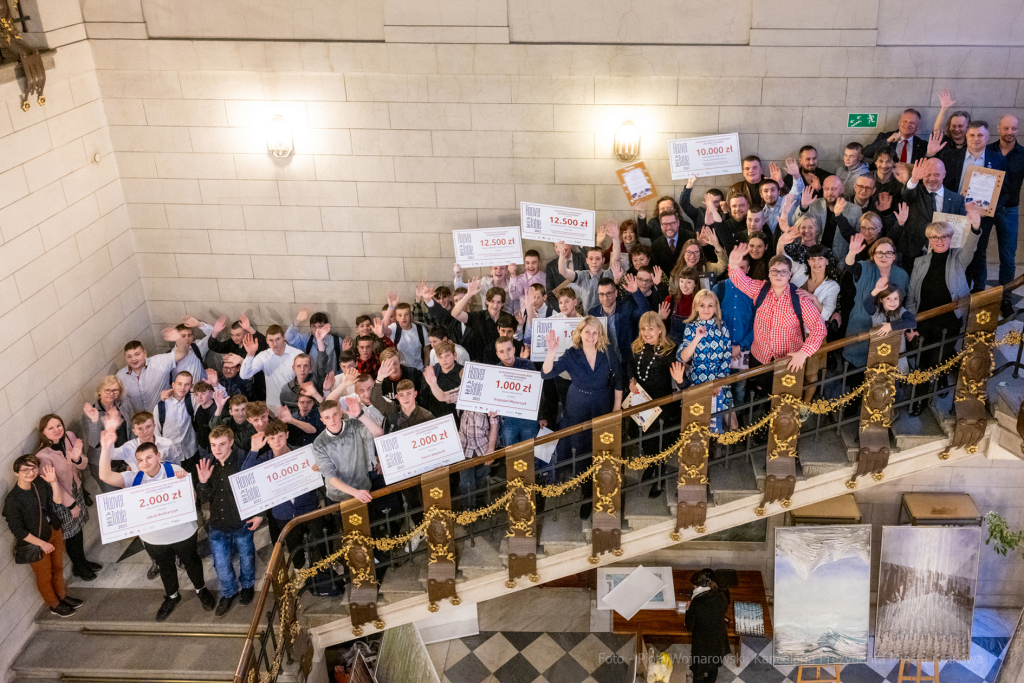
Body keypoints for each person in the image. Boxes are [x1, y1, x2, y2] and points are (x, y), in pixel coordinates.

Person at [97, 435, 215, 620]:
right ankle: (172, 596)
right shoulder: (133, 477)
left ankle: (201, 589)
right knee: (165, 567)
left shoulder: (174, 470)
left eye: (149, 457)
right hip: (153, 537)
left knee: (191, 561)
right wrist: (105, 447)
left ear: (158, 455)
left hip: (182, 532)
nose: (145, 463)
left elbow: (192, 499)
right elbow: (105, 476)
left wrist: (185, 483)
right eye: (140, 460)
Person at [541, 317, 622, 520]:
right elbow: (546, 374)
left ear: (600, 335)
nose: (591, 337)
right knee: (581, 446)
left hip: (602, 402)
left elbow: (619, 378)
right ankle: (587, 493)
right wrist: (551, 352)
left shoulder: (608, 353)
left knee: (603, 445)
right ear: (580, 333)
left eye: (595, 333)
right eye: (587, 332)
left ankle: (604, 485)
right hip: (577, 404)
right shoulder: (571, 354)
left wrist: (616, 407)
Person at [905, 206, 983, 416]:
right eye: (935, 237)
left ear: (950, 238)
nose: (940, 240)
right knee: (923, 361)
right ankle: (919, 400)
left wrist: (975, 226)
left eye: (945, 236)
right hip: (924, 319)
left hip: (950, 319)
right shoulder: (919, 262)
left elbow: (971, 248)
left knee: (943, 355)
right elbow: (911, 295)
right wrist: (911, 324)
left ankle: (939, 378)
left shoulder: (958, 257)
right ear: (929, 239)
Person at [928, 121, 1007, 293]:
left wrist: (990, 208)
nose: (976, 139)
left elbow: (1004, 191)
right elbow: (941, 183)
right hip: (953, 214)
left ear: (987, 137)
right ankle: (946, 291)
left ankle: (973, 293)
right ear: (966, 136)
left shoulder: (998, 159)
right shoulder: (950, 156)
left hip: (981, 217)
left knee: (977, 254)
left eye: (980, 135)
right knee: (950, 250)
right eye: (972, 135)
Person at [726, 245, 827, 376]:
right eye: (774, 271)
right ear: (769, 273)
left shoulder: (800, 298)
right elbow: (741, 282)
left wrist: (804, 353)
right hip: (760, 356)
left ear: (789, 275)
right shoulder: (760, 289)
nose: (779, 275)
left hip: (789, 360)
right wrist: (733, 265)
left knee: (786, 395)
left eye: (783, 272)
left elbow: (819, 328)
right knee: (762, 390)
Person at [4, 455, 85, 617]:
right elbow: (18, 530)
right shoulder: (13, 499)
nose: (30, 472)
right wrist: (42, 543)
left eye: (33, 468)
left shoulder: (39, 483)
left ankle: (62, 597)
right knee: (44, 575)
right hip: (36, 542)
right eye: (25, 470)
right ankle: (54, 604)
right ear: (16, 473)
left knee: (58, 567)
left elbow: (56, 500)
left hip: (53, 530)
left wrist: (53, 481)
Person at [196, 426, 262, 616]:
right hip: (217, 524)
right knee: (221, 564)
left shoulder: (243, 458)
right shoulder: (207, 462)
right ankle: (229, 592)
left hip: (242, 521)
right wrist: (202, 482)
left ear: (231, 443)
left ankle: (248, 585)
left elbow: (256, 487)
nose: (217, 449)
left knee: (247, 556)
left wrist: (259, 514)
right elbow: (204, 497)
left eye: (222, 444)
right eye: (213, 445)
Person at [242, 421, 326, 570]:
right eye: (272, 438)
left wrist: (320, 469)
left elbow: (320, 476)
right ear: (267, 440)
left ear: (287, 435)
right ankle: (299, 569)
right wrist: (254, 450)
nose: (277, 441)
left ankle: (328, 565)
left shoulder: (303, 452)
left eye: (280, 436)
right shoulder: (264, 460)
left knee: (321, 540)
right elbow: (245, 476)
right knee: (294, 546)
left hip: (309, 506)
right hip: (283, 512)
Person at [34, 415, 100, 581]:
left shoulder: (69, 437)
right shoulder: (43, 456)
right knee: (72, 534)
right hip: (62, 500)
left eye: (58, 425)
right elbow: (53, 485)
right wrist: (71, 506)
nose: (57, 430)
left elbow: (83, 464)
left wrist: (77, 458)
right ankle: (78, 567)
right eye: (51, 428)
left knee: (80, 528)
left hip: (76, 489)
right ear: (43, 432)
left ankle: (83, 561)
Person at [839, 235, 910, 369]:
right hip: (861, 325)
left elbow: (904, 301)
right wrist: (852, 253)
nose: (884, 256)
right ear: (873, 255)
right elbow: (850, 266)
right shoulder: (863, 267)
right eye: (879, 253)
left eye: (888, 253)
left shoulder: (902, 275)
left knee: (884, 370)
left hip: (889, 329)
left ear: (894, 256)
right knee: (857, 371)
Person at [629, 312, 679, 497]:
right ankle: (651, 466)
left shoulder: (669, 350)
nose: (647, 333)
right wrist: (631, 380)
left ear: (660, 329)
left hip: (661, 404)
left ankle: (659, 477)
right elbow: (631, 367)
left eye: (651, 328)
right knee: (646, 441)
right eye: (643, 329)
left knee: (659, 442)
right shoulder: (637, 347)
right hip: (641, 401)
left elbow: (677, 379)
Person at [674, 290, 733, 431]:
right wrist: (697, 337)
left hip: (719, 378)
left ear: (715, 307)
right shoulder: (690, 328)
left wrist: (720, 381)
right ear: (696, 307)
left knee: (731, 422)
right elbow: (683, 357)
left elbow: (727, 356)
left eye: (710, 305)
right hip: (697, 379)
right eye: (702, 305)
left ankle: (721, 450)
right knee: (698, 424)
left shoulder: (722, 327)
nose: (706, 309)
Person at [899, 157, 966, 273]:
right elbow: (906, 193)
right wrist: (914, 178)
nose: (931, 179)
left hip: (945, 255)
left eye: (936, 175)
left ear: (944, 174)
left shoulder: (957, 199)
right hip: (915, 253)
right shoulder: (915, 193)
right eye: (927, 174)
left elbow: (962, 229)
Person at [990, 115, 1023, 317]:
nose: (1009, 132)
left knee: (1008, 258)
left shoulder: (1023, 154)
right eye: (1006, 128)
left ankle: (1006, 299)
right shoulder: (987, 150)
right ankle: (977, 295)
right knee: (977, 253)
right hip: (986, 209)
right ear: (998, 128)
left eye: (1013, 128)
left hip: (1009, 209)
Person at [312, 399, 376, 505]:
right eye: (327, 417)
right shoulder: (319, 443)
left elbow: (376, 434)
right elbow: (330, 476)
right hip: (337, 496)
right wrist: (355, 493)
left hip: (363, 488)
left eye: (335, 414)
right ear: (322, 420)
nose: (332, 420)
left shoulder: (355, 425)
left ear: (341, 413)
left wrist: (360, 415)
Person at [793, 177, 862, 263]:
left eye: (834, 189)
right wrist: (803, 207)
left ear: (841, 189)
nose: (830, 192)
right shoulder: (814, 204)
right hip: (814, 258)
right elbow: (796, 224)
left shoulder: (855, 210)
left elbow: (858, 239)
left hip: (840, 261)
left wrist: (844, 264)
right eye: (826, 189)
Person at [82, 376, 132, 494]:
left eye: (115, 390)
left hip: (124, 457)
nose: (111, 394)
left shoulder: (124, 404)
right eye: (107, 390)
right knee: (114, 494)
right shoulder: (91, 412)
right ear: (99, 391)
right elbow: (94, 442)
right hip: (103, 462)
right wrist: (95, 421)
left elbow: (132, 428)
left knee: (130, 491)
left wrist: (131, 458)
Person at [684, 568, 731, 683]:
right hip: (718, 640)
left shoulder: (696, 604)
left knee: (699, 671)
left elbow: (689, 626)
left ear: (696, 587)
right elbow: (722, 611)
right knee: (713, 667)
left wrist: (688, 610)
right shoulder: (721, 596)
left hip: (703, 644)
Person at [240, 325, 302, 410]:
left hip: (294, 404)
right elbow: (244, 375)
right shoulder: (263, 356)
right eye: (271, 340)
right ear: (267, 341)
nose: (275, 343)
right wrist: (250, 355)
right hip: (273, 406)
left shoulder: (297, 354)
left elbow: (307, 378)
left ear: (284, 337)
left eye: (277, 339)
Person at [207, 316, 268, 401]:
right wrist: (215, 332)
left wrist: (250, 328)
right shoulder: (232, 343)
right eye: (232, 335)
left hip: (255, 385)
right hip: (235, 384)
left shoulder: (254, 343)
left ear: (246, 333)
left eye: (238, 335)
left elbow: (265, 344)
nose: (234, 338)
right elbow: (214, 346)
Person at [117, 340, 184, 417]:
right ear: (125, 358)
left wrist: (178, 337)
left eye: (137, 354)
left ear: (145, 353)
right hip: (141, 424)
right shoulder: (120, 376)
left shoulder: (159, 362)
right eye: (129, 356)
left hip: (166, 416)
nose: (133, 359)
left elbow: (182, 352)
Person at [447, 280, 507, 364]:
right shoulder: (477, 317)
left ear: (502, 304)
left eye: (499, 302)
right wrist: (469, 294)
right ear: (487, 301)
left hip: (502, 363)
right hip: (482, 362)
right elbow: (455, 314)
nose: (495, 306)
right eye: (492, 301)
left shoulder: (507, 318)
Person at [865, 283, 918, 376]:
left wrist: (891, 326)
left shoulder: (900, 311)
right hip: (881, 354)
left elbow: (912, 322)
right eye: (888, 298)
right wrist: (876, 290)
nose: (892, 302)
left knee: (900, 380)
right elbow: (867, 304)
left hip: (899, 353)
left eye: (895, 298)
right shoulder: (876, 311)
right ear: (881, 299)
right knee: (881, 381)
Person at [286, 309, 345, 387]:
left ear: (326, 327)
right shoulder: (307, 340)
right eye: (314, 326)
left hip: (334, 382)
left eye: (320, 326)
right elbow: (289, 338)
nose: (317, 329)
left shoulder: (336, 341)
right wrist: (297, 321)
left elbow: (342, 363)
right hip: (313, 382)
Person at [457, 406, 499, 510]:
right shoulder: (461, 394)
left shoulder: (487, 398)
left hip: (483, 448)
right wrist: (433, 388)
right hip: (464, 449)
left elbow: (494, 425)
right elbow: (443, 397)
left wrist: (491, 449)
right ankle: (468, 511)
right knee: (466, 483)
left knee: (482, 478)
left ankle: (479, 506)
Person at [383, 295, 429, 371]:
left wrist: (426, 369)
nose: (403, 318)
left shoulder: (420, 329)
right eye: (400, 315)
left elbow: (427, 351)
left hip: (419, 370)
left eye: (406, 314)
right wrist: (391, 307)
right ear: (396, 318)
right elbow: (383, 329)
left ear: (410, 315)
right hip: (402, 370)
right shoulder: (394, 328)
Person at [661, 267, 699, 344]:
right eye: (682, 281)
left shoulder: (701, 301)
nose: (684, 286)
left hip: (694, 346)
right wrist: (662, 319)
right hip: (673, 346)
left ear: (695, 284)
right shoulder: (670, 300)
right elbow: (661, 329)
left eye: (688, 282)